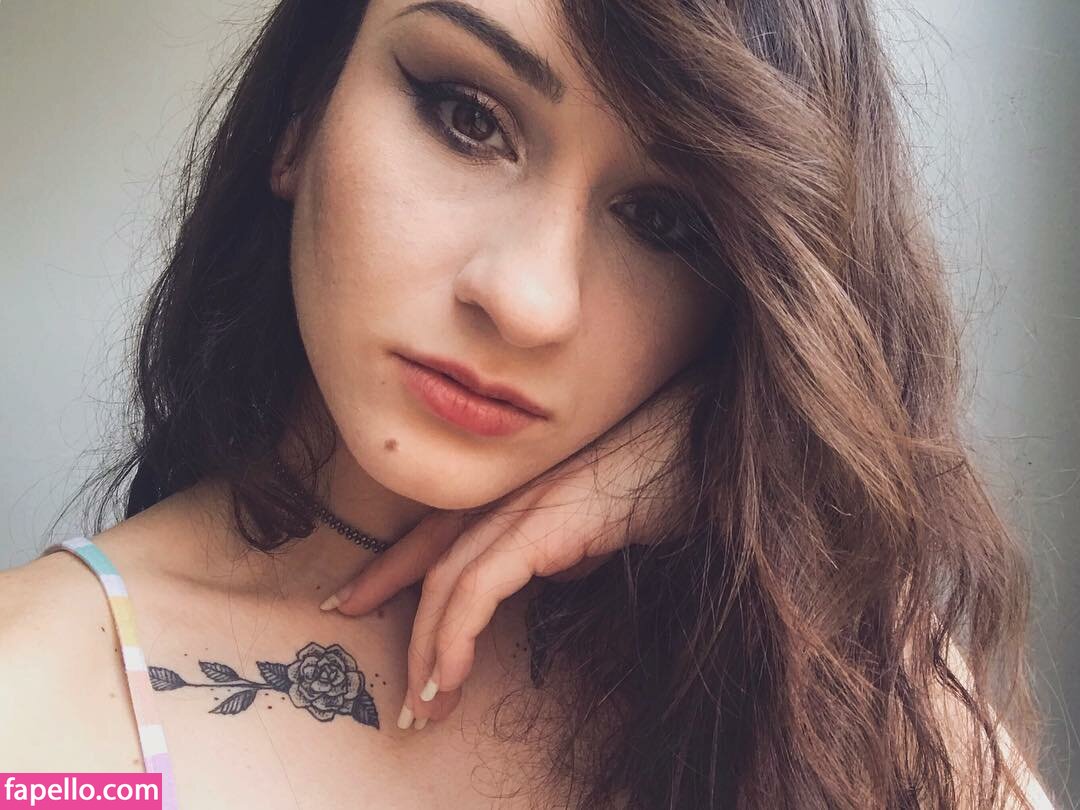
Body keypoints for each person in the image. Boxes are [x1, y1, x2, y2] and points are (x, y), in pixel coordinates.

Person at [0, 0, 1058, 807]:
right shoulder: (35, 707)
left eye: (665, 220)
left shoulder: (767, 668)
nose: (527, 301)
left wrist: (783, 502)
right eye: (468, 118)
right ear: (300, 115)